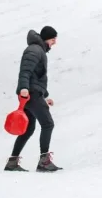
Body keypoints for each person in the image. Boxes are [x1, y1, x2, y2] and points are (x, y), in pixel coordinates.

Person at [6, 26, 61, 173]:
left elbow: (38, 77)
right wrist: (24, 88)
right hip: (31, 94)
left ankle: (12, 163)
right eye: (53, 39)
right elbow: (25, 71)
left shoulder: (38, 50)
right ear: (46, 38)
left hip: (34, 93)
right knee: (48, 124)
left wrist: (45, 95)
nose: (54, 42)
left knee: (28, 129)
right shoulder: (35, 50)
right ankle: (44, 162)